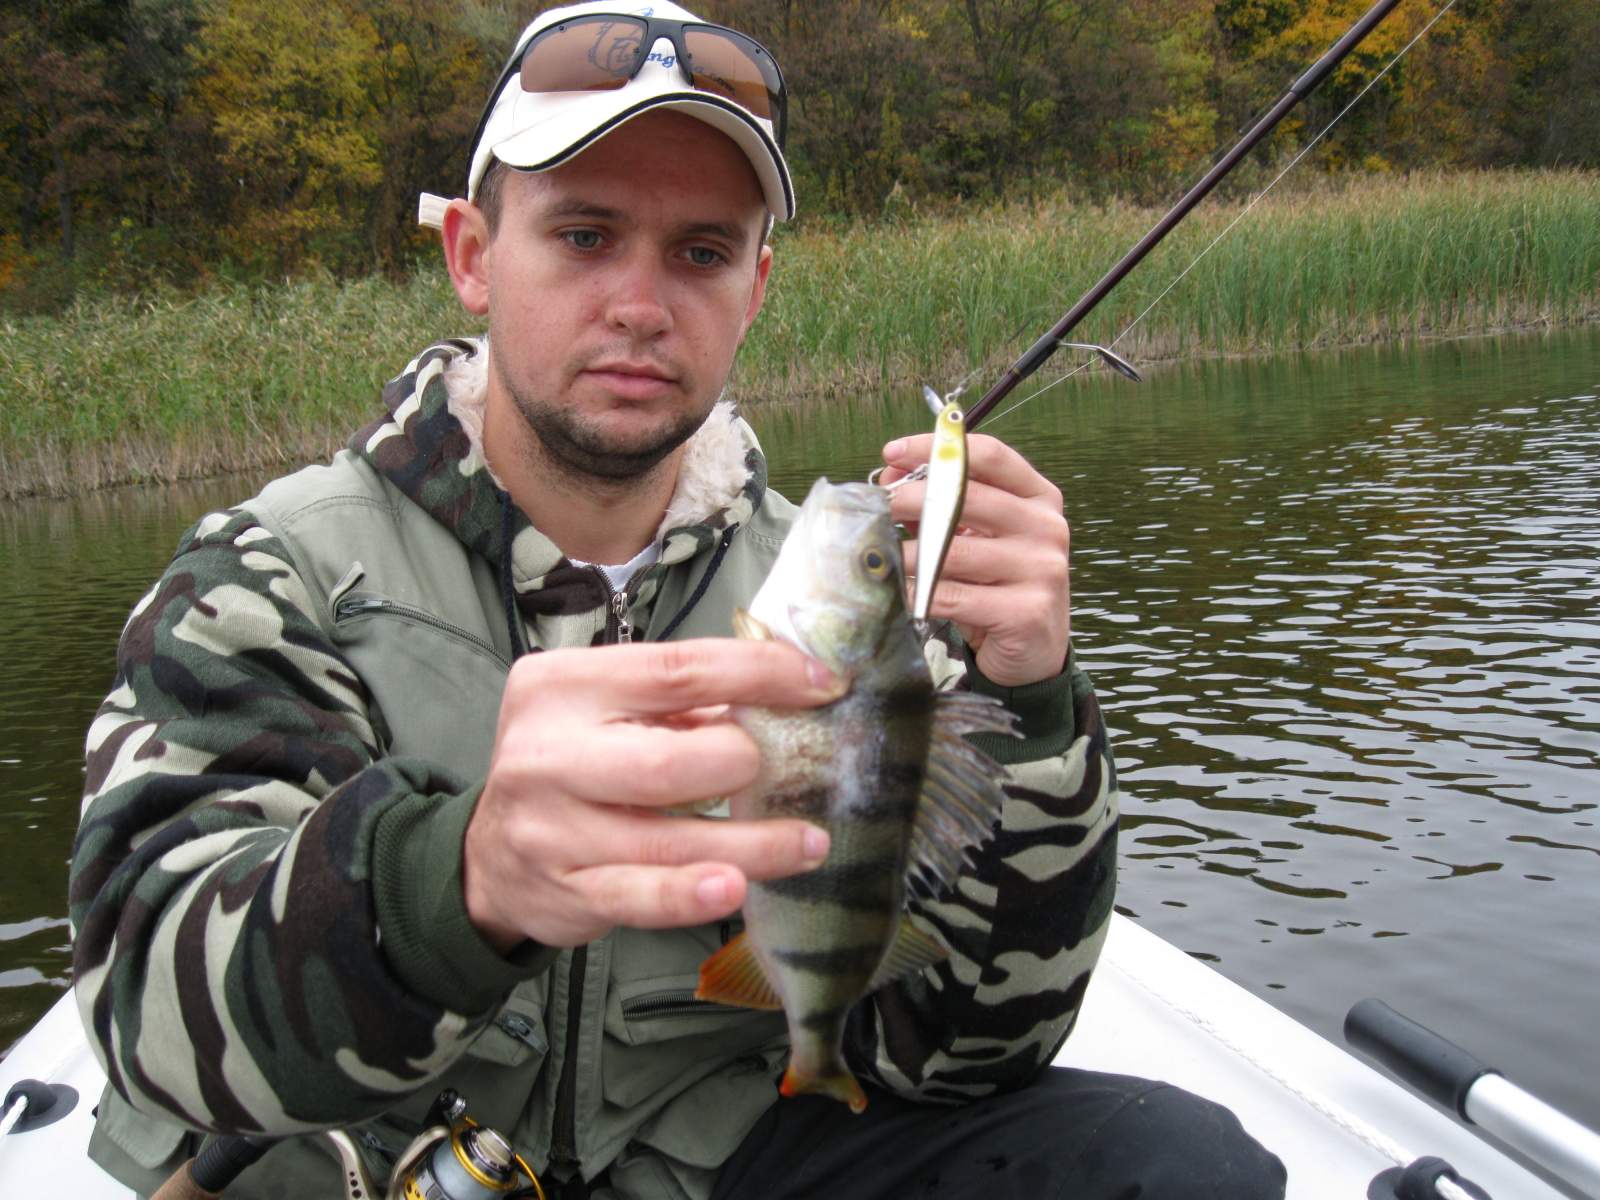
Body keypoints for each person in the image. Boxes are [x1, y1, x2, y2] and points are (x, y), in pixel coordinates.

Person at [69, 3, 1286, 1197]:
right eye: (584, 235)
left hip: (719, 1150)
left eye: (702, 253)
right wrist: (463, 883)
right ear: (474, 258)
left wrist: (1033, 710)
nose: (642, 307)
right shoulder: (277, 575)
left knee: (1179, 1165)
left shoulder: (849, 618)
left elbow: (968, 1055)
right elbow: (144, 1008)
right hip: (377, 1168)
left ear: (754, 288)